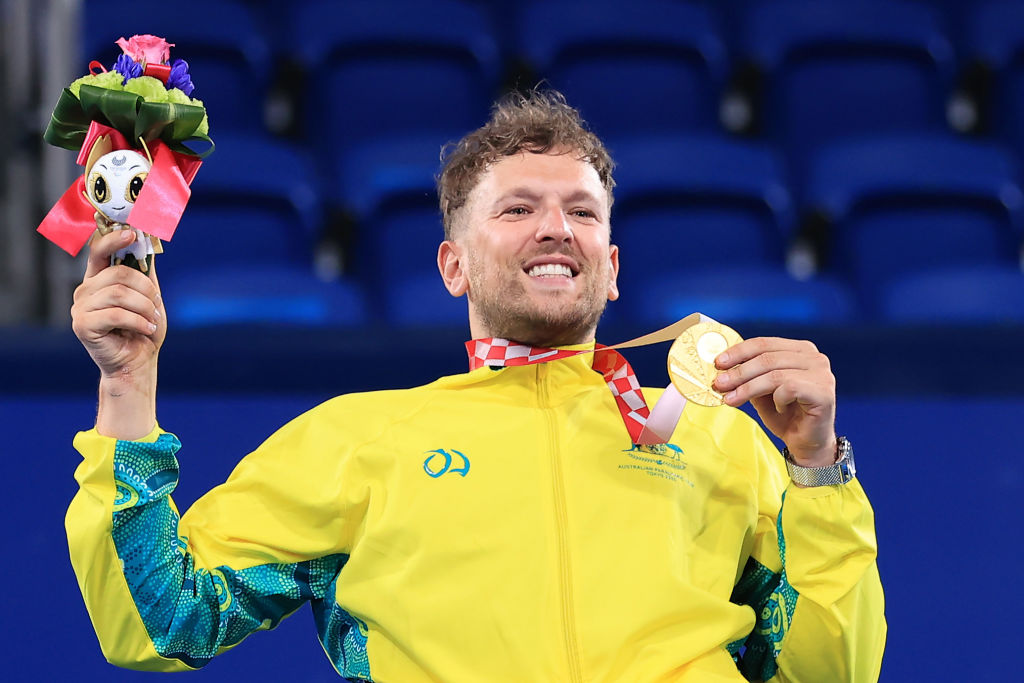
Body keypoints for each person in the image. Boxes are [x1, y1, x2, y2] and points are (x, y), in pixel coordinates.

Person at [67, 90, 885, 682]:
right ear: (453, 266)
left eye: (583, 212)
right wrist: (127, 388)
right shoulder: (357, 440)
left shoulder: (719, 436)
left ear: (613, 269)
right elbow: (162, 620)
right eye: (518, 208)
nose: (556, 226)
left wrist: (816, 465)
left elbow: (832, 673)